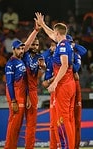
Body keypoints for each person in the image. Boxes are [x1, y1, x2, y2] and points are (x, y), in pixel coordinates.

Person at [35, 12, 76, 149]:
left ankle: (68, 147)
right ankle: (65, 146)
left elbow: (64, 65)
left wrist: (55, 82)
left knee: (64, 119)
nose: (52, 36)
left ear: (58, 33)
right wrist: (43, 25)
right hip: (67, 84)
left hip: (64, 85)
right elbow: (51, 34)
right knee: (65, 118)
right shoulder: (62, 43)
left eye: (54, 33)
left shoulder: (63, 46)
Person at [4, 23, 39, 149]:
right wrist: (13, 100)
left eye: (21, 49)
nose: (21, 50)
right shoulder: (11, 63)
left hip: (23, 95)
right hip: (15, 95)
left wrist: (35, 31)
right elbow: (9, 83)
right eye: (18, 49)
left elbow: (28, 44)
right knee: (14, 124)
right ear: (13, 49)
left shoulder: (21, 60)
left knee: (18, 126)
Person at [22, 37, 46, 149]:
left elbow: (45, 68)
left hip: (33, 91)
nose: (35, 47)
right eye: (33, 45)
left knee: (31, 123)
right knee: (16, 123)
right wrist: (27, 96)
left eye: (37, 45)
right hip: (22, 91)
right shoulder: (24, 55)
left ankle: (29, 147)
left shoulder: (39, 57)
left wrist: (44, 67)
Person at [66, 35, 87, 149]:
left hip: (74, 85)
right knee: (65, 118)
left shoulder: (76, 54)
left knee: (77, 120)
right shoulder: (61, 53)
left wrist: (74, 45)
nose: (68, 45)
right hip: (64, 85)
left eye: (70, 43)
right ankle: (65, 145)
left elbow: (75, 68)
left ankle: (75, 146)